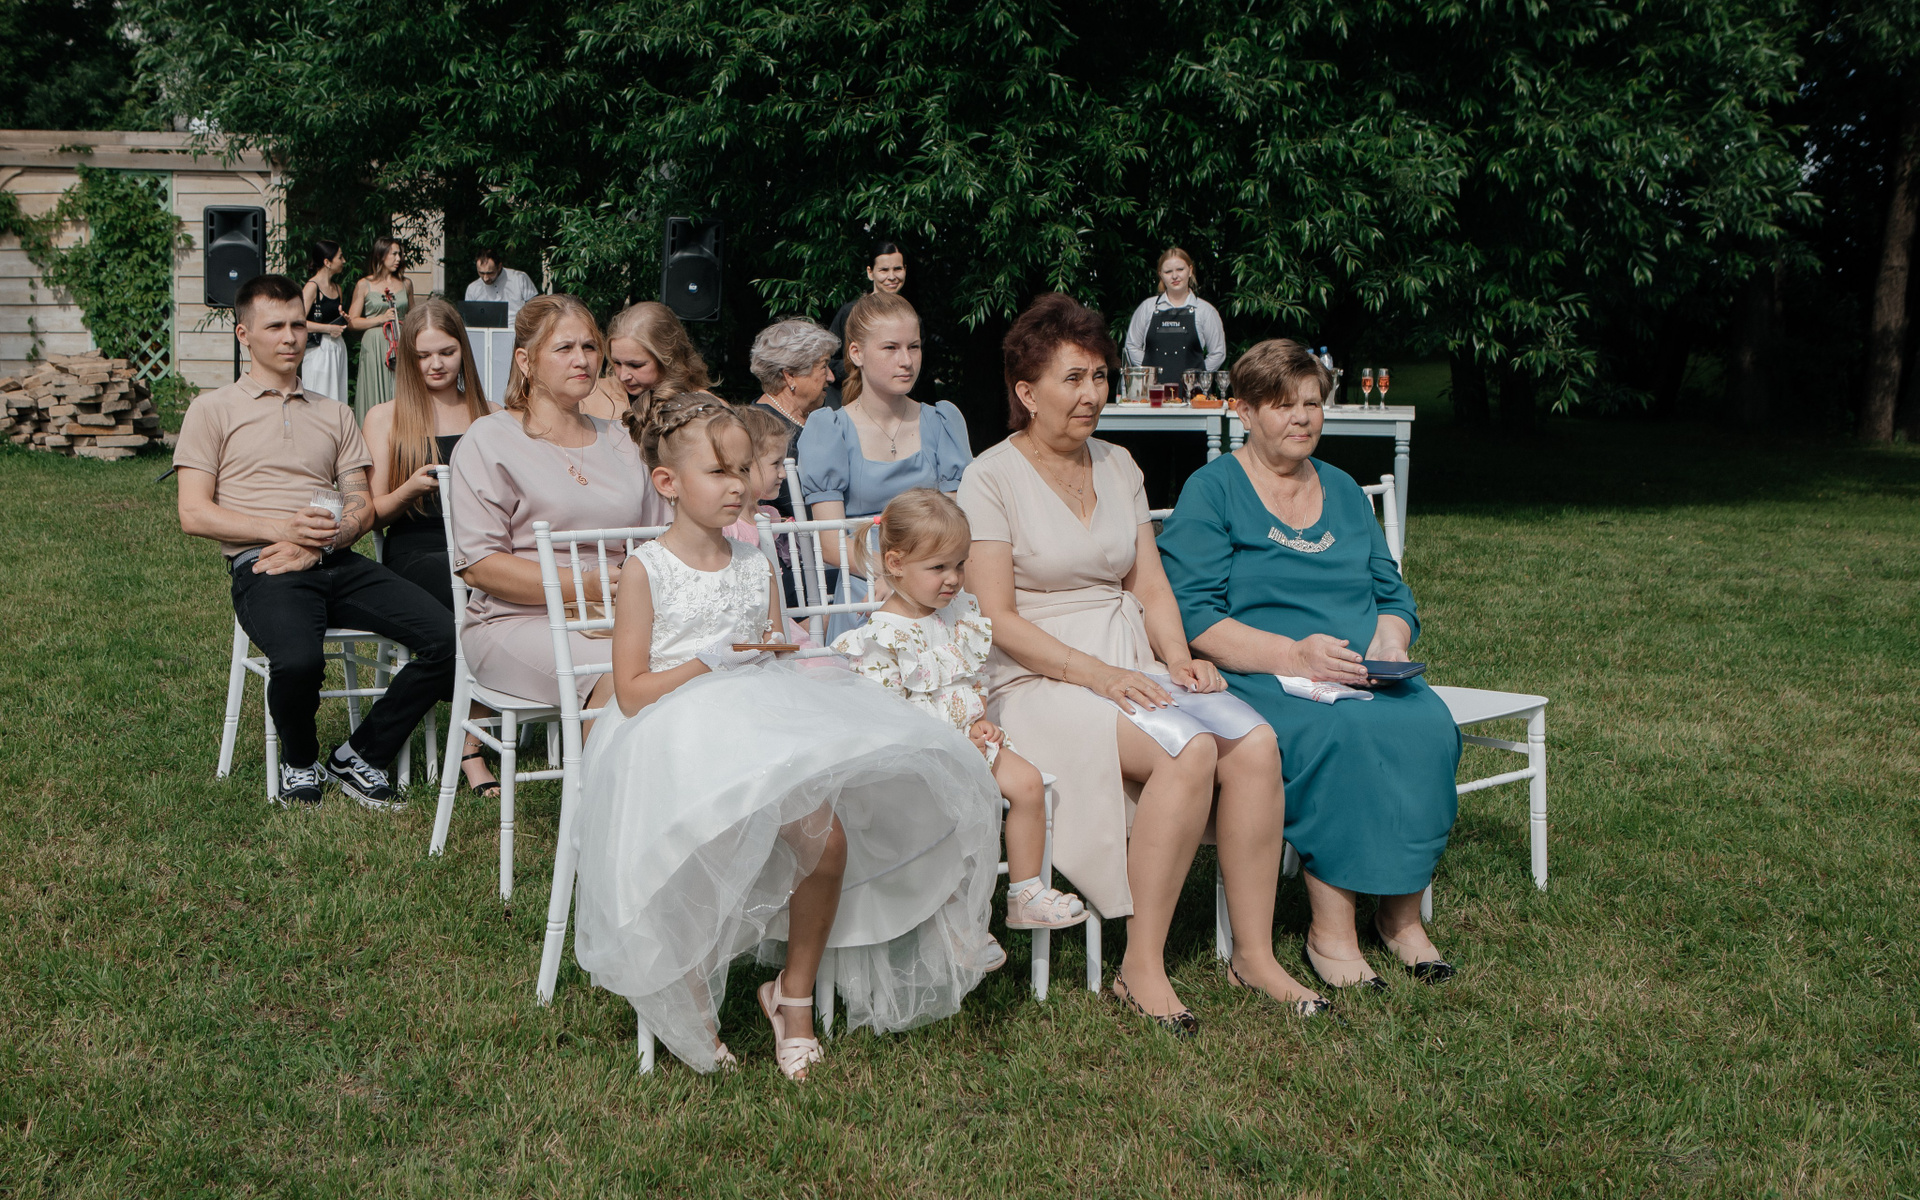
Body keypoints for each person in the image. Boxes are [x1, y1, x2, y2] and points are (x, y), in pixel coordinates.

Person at [570, 396, 1003, 1078]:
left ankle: (792, 994)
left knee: (827, 842)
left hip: (757, 715)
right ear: (668, 482)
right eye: (719, 471)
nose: (738, 485)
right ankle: (688, 983)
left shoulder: (755, 562)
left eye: (744, 469)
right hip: (669, 728)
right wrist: (707, 661)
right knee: (712, 838)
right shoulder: (646, 570)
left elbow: (773, 646)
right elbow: (630, 690)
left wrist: (776, 656)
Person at [957, 292, 1328, 1034]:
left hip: (1129, 658)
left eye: (1099, 376)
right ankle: (1142, 965)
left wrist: (1180, 658)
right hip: (1037, 675)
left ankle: (1254, 954)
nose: (1092, 394)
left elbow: (1149, 584)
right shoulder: (988, 478)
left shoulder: (1119, 463)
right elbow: (996, 617)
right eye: (1073, 379)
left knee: (1255, 744)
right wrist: (1099, 675)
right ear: (1027, 393)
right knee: (1188, 749)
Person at [1158, 338, 1463, 990]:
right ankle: (1331, 931)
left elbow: (1391, 594)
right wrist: (1294, 655)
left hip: (1357, 670)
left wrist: (1389, 644)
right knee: (1341, 735)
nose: (1301, 417)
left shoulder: (1345, 490)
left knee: (1428, 724)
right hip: (1262, 675)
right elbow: (1196, 618)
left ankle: (1400, 918)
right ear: (1243, 411)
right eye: (1281, 405)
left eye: (1311, 403)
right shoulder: (1212, 491)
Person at [174, 274, 455, 810]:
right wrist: (285, 531)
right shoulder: (212, 410)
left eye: (297, 325)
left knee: (448, 638)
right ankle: (300, 762)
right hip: (267, 564)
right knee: (300, 661)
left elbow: (360, 505)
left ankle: (360, 754)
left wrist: (321, 545)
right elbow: (194, 513)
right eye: (274, 326)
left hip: (337, 559)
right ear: (243, 334)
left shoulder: (335, 412)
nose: (290, 337)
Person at [833, 489, 1090, 933]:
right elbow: (888, 716)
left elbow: (971, 678)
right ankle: (956, 923)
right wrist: (951, 738)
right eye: (938, 568)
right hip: (919, 760)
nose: (953, 579)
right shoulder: (883, 636)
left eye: (959, 564)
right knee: (952, 819)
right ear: (896, 563)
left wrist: (980, 719)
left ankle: (1025, 893)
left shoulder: (959, 613)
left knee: (1028, 783)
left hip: (969, 743)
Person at [447, 295, 666, 712]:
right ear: (525, 361)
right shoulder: (490, 439)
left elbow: (659, 540)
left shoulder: (624, 440)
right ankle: (604, 759)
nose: (582, 360)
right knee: (624, 676)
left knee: (696, 664)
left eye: (590, 347)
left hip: (619, 613)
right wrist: (585, 584)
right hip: (517, 620)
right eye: (564, 348)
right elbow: (479, 565)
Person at [361, 297, 503, 799]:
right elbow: (371, 513)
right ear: (407, 359)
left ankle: (471, 741)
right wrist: (410, 489)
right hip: (415, 552)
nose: (436, 365)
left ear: (464, 350)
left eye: (447, 352)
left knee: (503, 597)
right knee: (489, 597)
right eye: (423, 356)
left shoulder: (492, 415)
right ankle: (472, 744)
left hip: (481, 548)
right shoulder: (386, 417)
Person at [797, 292, 971, 633]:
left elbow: (956, 528)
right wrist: (892, 575)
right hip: (864, 587)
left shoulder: (942, 422)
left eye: (914, 347)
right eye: (890, 348)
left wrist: (916, 579)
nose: (906, 361)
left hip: (938, 587)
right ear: (856, 353)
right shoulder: (830, 429)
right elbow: (831, 544)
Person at [747, 317, 838, 517]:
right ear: (790, 376)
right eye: (823, 366)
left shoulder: (815, 420)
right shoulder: (761, 428)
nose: (831, 376)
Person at [583, 300, 713, 423]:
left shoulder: (707, 408)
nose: (623, 376)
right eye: (617, 363)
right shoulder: (591, 395)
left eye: (635, 365)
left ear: (667, 360)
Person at [1123, 247, 1227, 383]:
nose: (1174, 276)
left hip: (1194, 392)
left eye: (1180, 269)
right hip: (1153, 391)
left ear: (1190, 270)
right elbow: (1131, 346)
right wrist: (1149, 374)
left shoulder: (1206, 311)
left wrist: (1198, 377)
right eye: (1168, 271)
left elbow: (1218, 353)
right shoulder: (1147, 308)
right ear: (1160, 275)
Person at [824, 240, 907, 407]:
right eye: (884, 270)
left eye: (897, 269)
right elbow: (827, 359)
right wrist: (861, 368)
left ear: (905, 270)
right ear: (870, 273)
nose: (892, 276)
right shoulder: (850, 312)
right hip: (845, 402)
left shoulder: (909, 318)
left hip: (890, 406)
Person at [347, 236, 413, 422]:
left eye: (399, 254)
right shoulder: (364, 284)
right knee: (374, 387)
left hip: (400, 341)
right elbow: (352, 322)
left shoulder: (406, 284)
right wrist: (380, 319)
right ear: (381, 255)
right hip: (375, 344)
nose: (398, 258)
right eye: (394, 254)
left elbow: (412, 315)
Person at [299, 240, 350, 405]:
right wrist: (328, 328)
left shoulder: (337, 288)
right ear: (327, 262)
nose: (343, 261)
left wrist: (343, 319)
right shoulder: (312, 287)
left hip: (337, 348)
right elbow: (298, 322)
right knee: (318, 395)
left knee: (337, 396)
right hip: (318, 350)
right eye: (340, 257)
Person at [463, 247, 539, 324]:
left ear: (499, 267)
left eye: (490, 273)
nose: (486, 278)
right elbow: (469, 318)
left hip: (517, 327)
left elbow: (536, 307)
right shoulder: (473, 288)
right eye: (481, 273)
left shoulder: (519, 278)